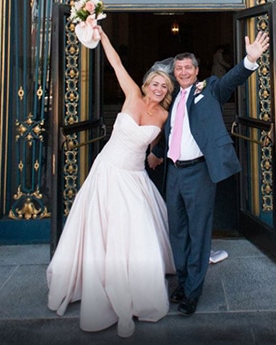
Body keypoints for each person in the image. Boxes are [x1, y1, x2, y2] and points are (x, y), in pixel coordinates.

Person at [46, 26, 176, 338]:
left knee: (137, 233)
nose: (158, 89)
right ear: (146, 84)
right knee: (110, 235)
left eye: (164, 86)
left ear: (168, 90)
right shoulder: (132, 94)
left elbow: (165, 140)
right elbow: (116, 64)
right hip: (108, 172)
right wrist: (102, 36)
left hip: (135, 177)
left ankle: (137, 298)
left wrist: (157, 154)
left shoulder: (164, 115)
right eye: (155, 83)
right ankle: (114, 302)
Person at [148, 31, 270, 315]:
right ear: (174, 73)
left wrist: (249, 60)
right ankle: (183, 281)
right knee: (177, 231)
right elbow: (172, 132)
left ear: (197, 70)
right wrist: (156, 152)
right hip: (175, 174)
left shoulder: (209, 89)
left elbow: (232, 80)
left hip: (199, 173)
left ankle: (192, 292)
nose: (183, 72)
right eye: (178, 68)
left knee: (198, 232)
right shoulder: (173, 98)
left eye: (188, 67)